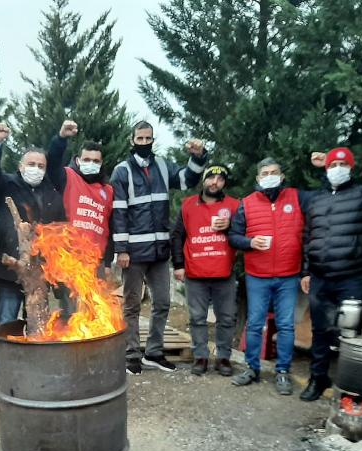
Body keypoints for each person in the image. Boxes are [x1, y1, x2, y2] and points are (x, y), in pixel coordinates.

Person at [110, 120, 207, 375]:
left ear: (153, 139)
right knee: (131, 305)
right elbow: (118, 212)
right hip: (133, 252)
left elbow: (187, 180)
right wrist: (121, 249)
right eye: (139, 139)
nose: (144, 143)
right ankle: (131, 355)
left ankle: (154, 352)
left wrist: (197, 157)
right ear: (132, 140)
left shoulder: (163, 165)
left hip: (159, 251)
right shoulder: (122, 171)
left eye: (148, 138)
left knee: (162, 302)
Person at [298, 141, 362, 401]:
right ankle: (318, 379)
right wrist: (306, 271)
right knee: (320, 331)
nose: (337, 169)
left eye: (343, 165)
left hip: (350, 277)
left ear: (351, 168)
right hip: (320, 277)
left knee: (350, 334)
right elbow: (309, 237)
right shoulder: (315, 200)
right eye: (333, 165)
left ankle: (351, 386)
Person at [0, 122, 67, 379]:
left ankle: (32, 374)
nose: (36, 169)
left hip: (41, 274)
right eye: (31, 164)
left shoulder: (51, 192)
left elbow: (59, 232)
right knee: (7, 323)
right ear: (20, 166)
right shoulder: (7, 184)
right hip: (11, 272)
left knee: (37, 322)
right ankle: (3, 373)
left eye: (40, 165)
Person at [228, 158, 308, 395]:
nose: (270, 176)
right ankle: (251, 368)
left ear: (282, 177)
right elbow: (234, 236)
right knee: (255, 324)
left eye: (274, 172)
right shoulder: (247, 203)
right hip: (257, 275)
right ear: (258, 179)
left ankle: (282, 372)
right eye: (265, 173)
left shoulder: (296, 198)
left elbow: (309, 234)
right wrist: (250, 242)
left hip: (288, 275)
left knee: (285, 325)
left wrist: (306, 270)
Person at [171, 164, 240, 376]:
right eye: (211, 178)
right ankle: (200, 356)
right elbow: (177, 236)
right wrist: (179, 265)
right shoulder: (188, 205)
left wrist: (229, 226)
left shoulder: (235, 206)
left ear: (224, 183)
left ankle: (223, 358)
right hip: (195, 273)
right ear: (204, 180)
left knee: (226, 318)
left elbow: (243, 234)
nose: (215, 183)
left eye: (220, 180)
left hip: (224, 273)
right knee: (197, 318)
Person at [46, 120, 114, 276]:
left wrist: (108, 261)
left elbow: (110, 226)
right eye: (87, 160)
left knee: (99, 301)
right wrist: (61, 138)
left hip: (98, 262)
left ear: (101, 163)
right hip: (71, 258)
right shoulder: (68, 177)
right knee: (71, 301)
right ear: (78, 161)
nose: (91, 163)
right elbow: (52, 165)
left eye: (96, 161)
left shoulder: (108, 190)